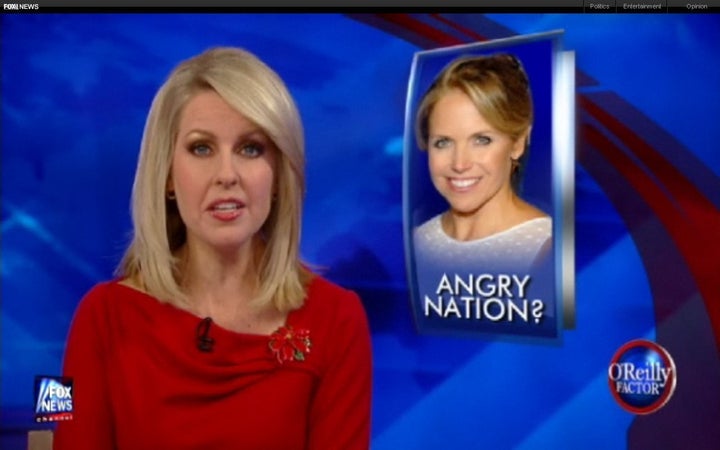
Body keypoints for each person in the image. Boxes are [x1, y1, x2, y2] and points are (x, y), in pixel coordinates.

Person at [54, 47, 372, 450]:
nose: (227, 175)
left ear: (279, 175)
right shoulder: (102, 318)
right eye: (201, 148)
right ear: (168, 175)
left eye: (250, 148)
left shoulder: (336, 320)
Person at [413, 53, 552, 272]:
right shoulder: (418, 241)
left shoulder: (548, 249)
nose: (459, 164)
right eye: (443, 142)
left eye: (481, 140)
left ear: (517, 143)